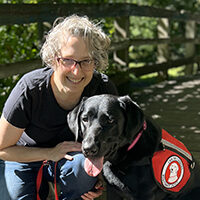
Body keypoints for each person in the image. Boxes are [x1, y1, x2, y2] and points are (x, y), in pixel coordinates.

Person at [0, 15, 118, 200]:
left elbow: (118, 139)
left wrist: (102, 176)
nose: (76, 71)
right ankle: (42, 189)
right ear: (54, 59)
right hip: (23, 157)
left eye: (85, 61)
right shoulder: (29, 89)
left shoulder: (102, 90)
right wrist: (50, 153)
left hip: (72, 160)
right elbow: (2, 149)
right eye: (68, 60)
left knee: (84, 170)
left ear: (95, 61)